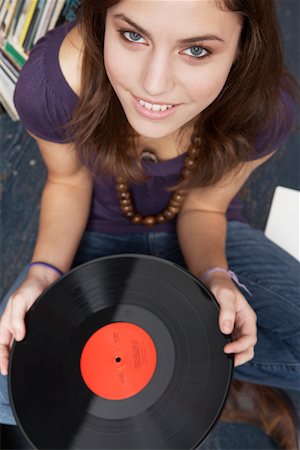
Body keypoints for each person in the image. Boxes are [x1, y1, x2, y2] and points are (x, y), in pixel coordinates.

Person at [0, 0, 299, 448]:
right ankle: (204, 383)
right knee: (9, 390)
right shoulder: (51, 84)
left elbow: (205, 209)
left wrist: (217, 278)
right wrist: (44, 273)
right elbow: (67, 181)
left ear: (243, 47)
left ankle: (211, 386)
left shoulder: (266, 108)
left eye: (197, 50)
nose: (154, 84)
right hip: (89, 238)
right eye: (133, 36)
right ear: (103, 22)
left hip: (207, 235)